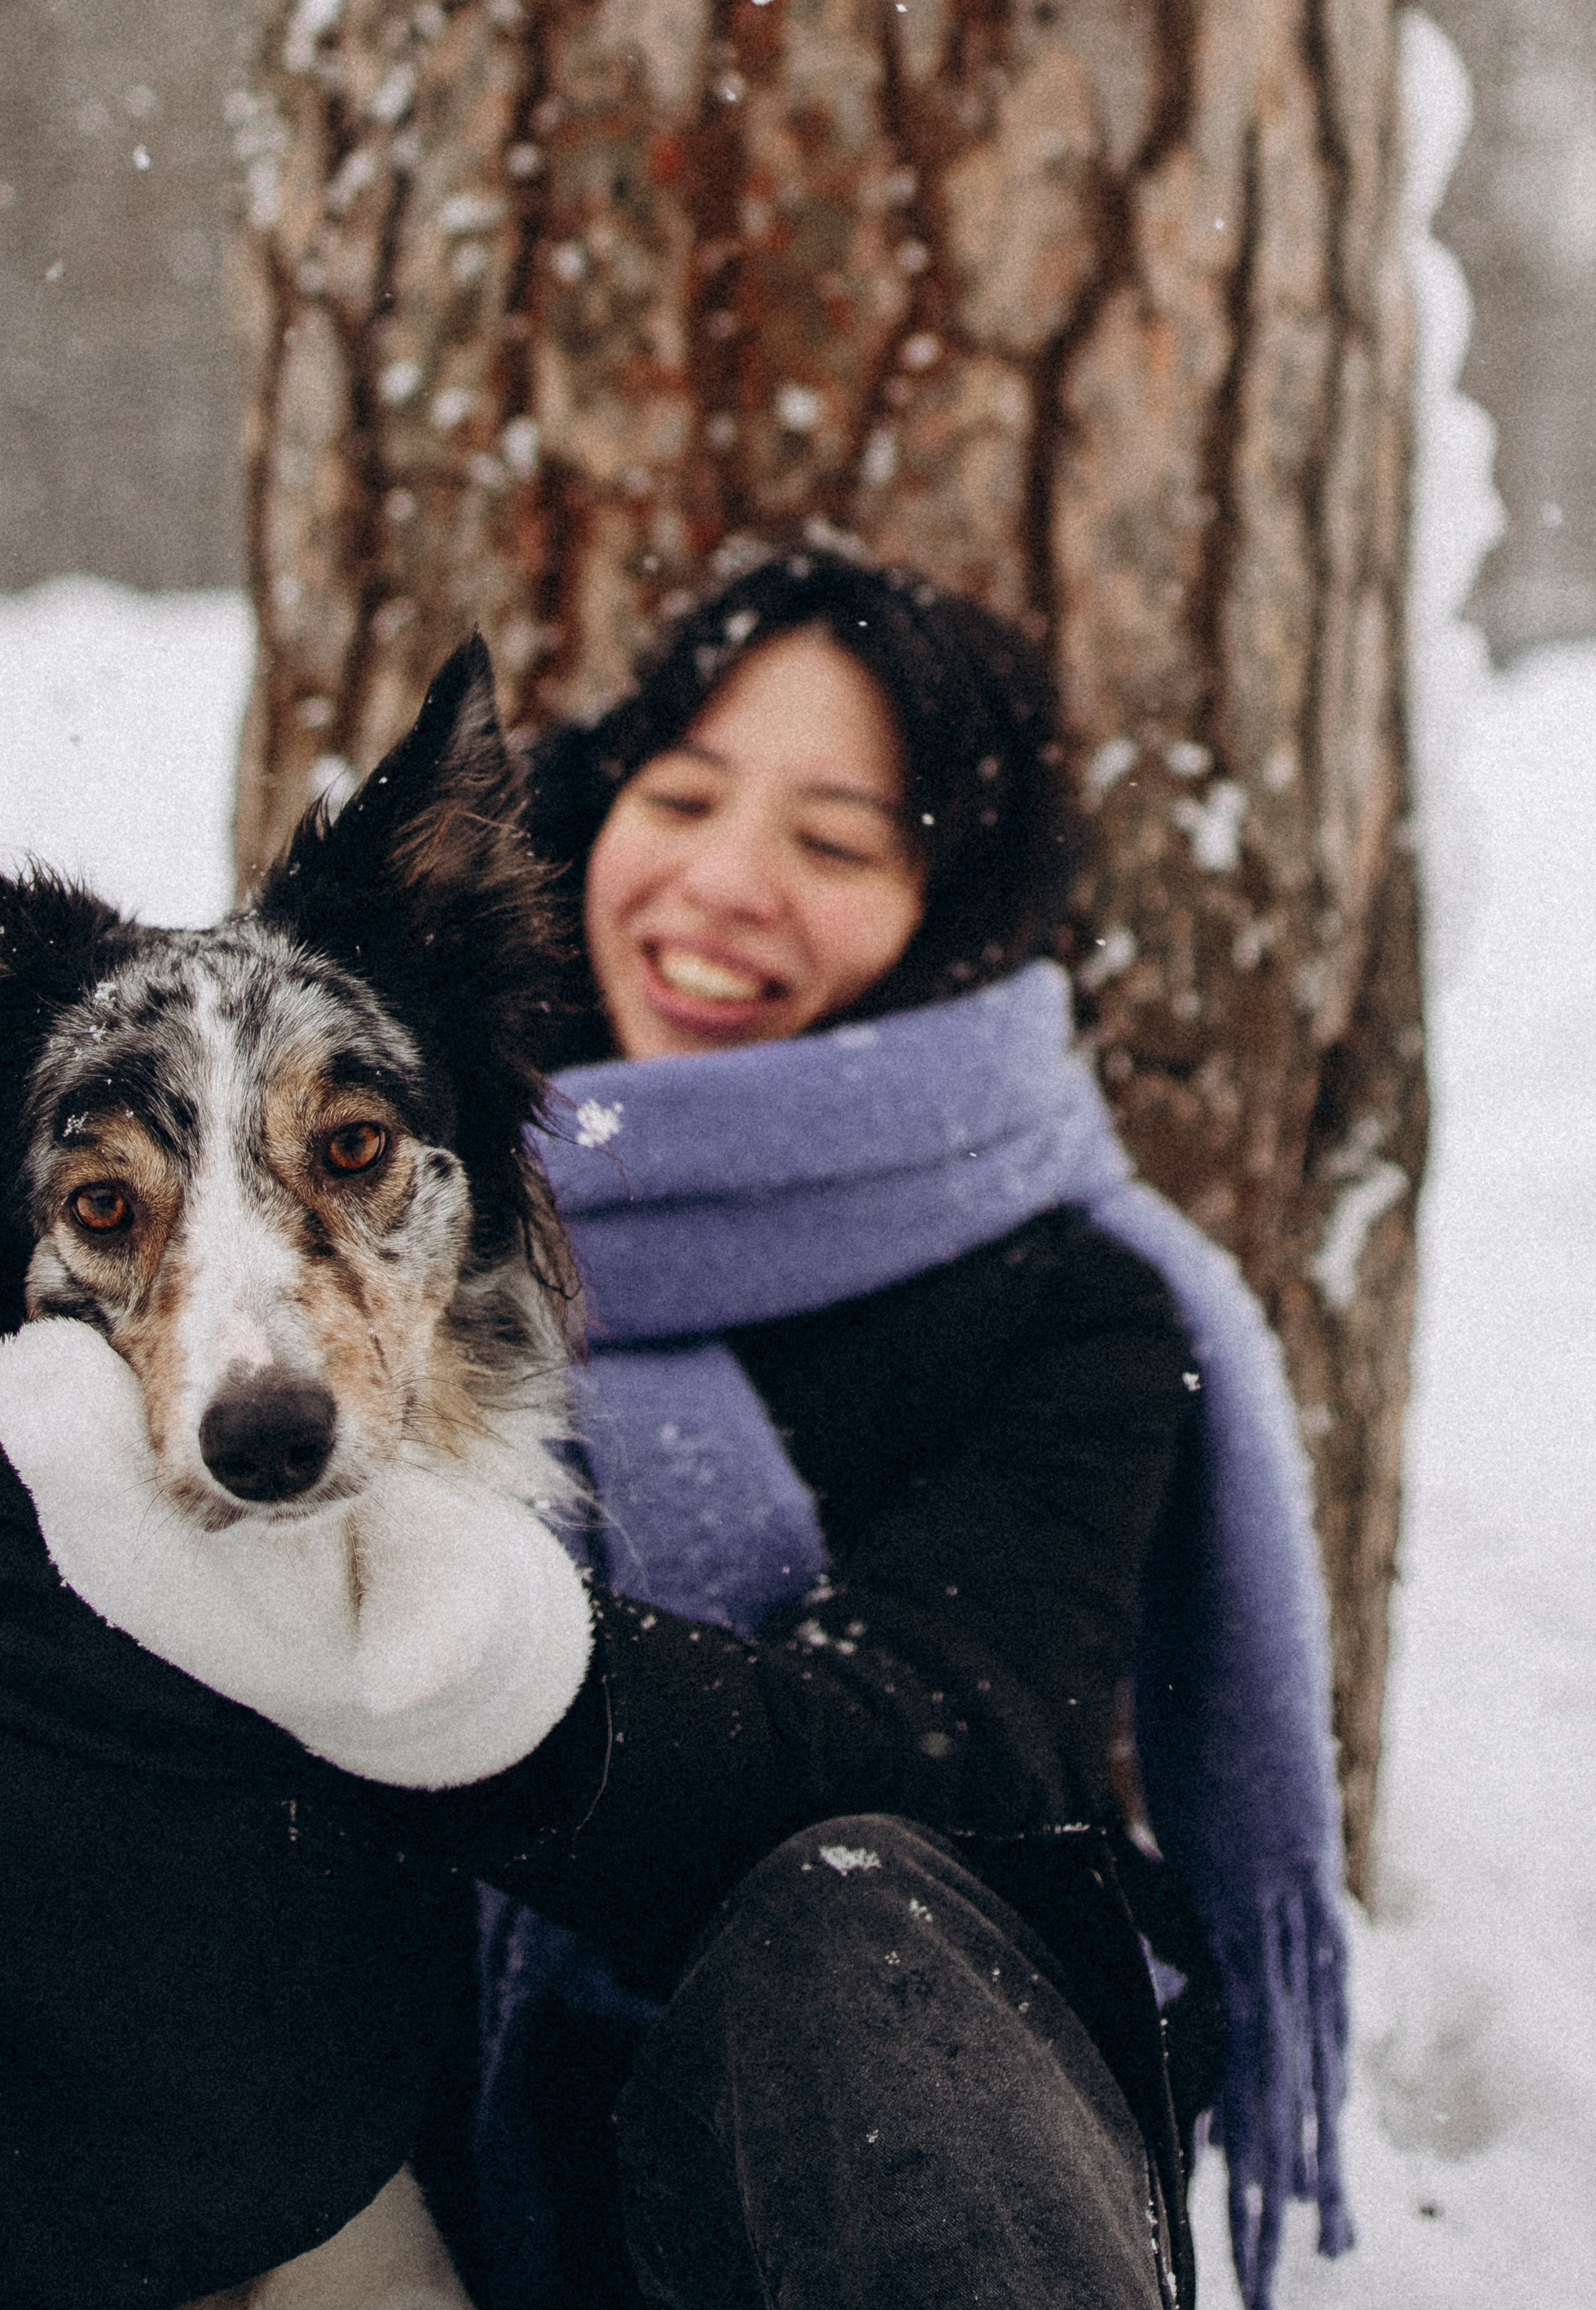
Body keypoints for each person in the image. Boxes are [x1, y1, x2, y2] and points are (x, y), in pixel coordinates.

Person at [444, 548, 1353, 2310]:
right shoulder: (379, 1159)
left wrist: (425, 1671)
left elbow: (933, 1746)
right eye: (683, 792)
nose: (721, 882)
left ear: (958, 907)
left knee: (846, 1907)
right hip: (372, 2126)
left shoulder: (1070, 1305)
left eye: (836, 841)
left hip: (844, 2145)